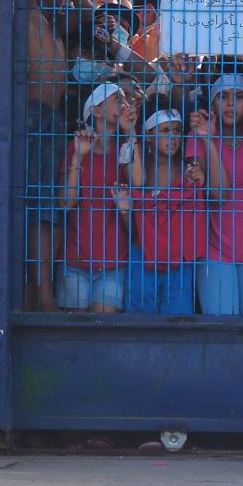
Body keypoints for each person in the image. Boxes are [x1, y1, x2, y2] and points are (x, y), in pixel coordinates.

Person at [191, 74, 243, 316]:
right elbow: (219, 194)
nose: (230, 103)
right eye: (223, 96)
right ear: (212, 103)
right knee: (222, 326)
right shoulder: (199, 134)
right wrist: (210, 141)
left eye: (238, 96)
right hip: (215, 249)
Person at [57, 82, 133, 313]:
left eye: (125, 99)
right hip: (75, 260)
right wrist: (77, 157)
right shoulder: (76, 148)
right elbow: (65, 202)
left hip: (113, 262)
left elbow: (138, 184)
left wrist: (131, 133)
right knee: (74, 331)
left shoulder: (125, 149)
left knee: (104, 328)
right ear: (97, 111)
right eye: (117, 99)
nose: (125, 104)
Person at [126, 104, 206, 315]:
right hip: (143, 253)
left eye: (177, 131)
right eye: (164, 131)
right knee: (141, 316)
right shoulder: (139, 165)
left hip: (178, 257)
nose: (172, 137)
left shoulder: (188, 170)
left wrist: (200, 179)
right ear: (148, 136)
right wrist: (132, 132)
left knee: (179, 316)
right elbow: (136, 183)